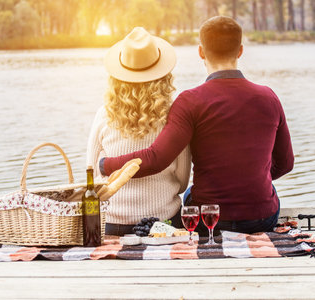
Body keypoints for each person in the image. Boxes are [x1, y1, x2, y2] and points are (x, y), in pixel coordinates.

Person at [99, 16, 294, 236]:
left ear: (201, 52)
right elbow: (286, 163)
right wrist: (252, 179)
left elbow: (157, 158)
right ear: (240, 51)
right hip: (261, 218)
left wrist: (106, 165)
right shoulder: (269, 97)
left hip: (209, 219)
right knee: (268, 188)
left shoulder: (190, 101)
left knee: (191, 194)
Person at [86, 27, 191, 236]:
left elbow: (91, 172)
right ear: (163, 75)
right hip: (163, 222)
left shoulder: (103, 115)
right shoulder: (174, 116)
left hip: (113, 223)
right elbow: (182, 181)